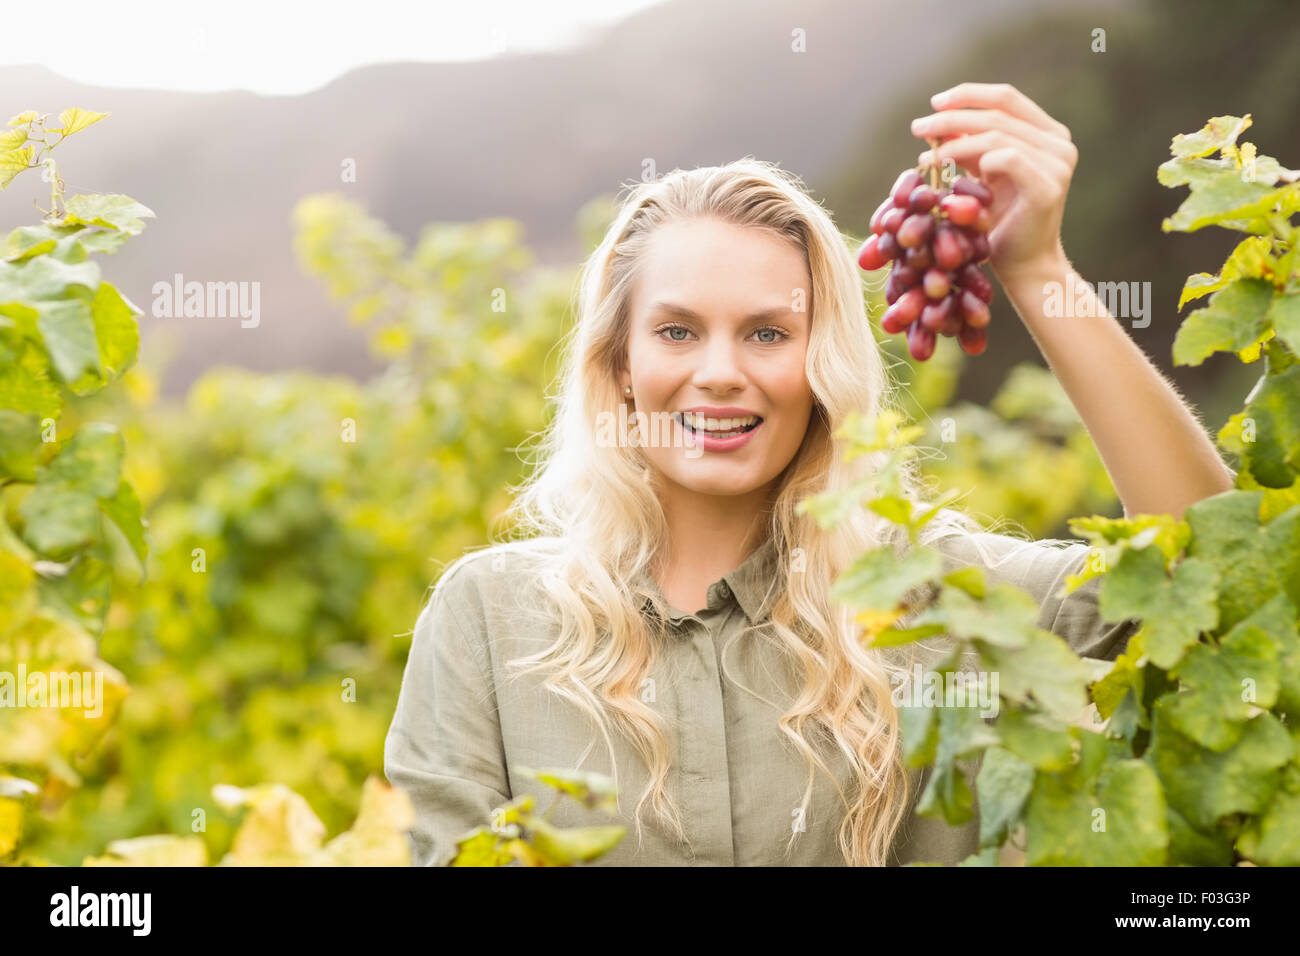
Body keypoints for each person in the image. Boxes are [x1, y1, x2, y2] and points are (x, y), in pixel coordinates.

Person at [384, 83, 1236, 867]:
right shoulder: (488, 622)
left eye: (766, 333)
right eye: (677, 332)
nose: (719, 371)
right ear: (619, 366)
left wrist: (1038, 271)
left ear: (821, 367)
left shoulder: (941, 599)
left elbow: (1206, 574)